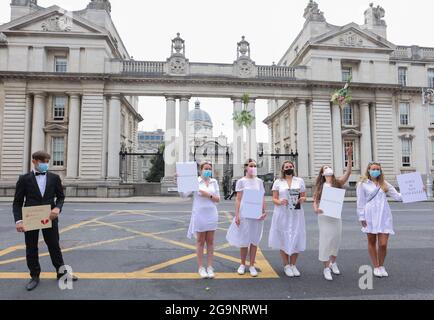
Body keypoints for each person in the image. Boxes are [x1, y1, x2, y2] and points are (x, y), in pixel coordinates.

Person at [12, 151, 78, 291]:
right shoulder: (24, 179)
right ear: (34, 161)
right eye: (43, 162)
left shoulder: (54, 178)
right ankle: (34, 276)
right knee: (31, 247)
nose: (46, 165)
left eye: (47, 162)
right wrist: (18, 221)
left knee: (54, 245)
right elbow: (17, 202)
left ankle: (62, 273)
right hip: (31, 218)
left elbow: (61, 197)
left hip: (50, 217)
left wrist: (57, 209)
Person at [356, 162, 403, 278]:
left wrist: (417, 192)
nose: (376, 171)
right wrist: (361, 217)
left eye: (378, 169)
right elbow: (360, 202)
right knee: (372, 242)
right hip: (370, 215)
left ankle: (382, 265)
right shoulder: (362, 184)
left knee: (383, 244)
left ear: (380, 171)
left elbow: (398, 196)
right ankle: (376, 266)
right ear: (368, 170)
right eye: (373, 169)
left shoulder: (384, 184)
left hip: (384, 215)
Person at [313, 147, 353, 281]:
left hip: (336, 216)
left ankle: (333, 262)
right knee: (325, 240)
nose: (328, 169)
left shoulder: (337, 183)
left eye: (329, 167)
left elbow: (348, 173)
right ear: (322, 173)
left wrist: (349, 157)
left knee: (336, 240)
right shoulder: (320, 186)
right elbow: (315, 201)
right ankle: (326, 267)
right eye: (325, 168)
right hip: (324, 216)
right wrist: (316, 208)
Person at [177, 161, 220, 279]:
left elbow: (218, 199)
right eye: (206, 168)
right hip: (199, 214)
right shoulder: (195, 181)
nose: (208, 171)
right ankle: (201, 267)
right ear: (200, 170)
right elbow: (183, 195)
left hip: (212, 214)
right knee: (200, 241)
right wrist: (179, 181)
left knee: (210, 242)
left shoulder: (214, 182)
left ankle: (210, 267)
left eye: (209, 169)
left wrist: (207, 195)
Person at [226, 159, 266, 277]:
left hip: (256, 212)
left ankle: (252, 265)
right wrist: (237, 215)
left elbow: (262, 197)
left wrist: (264, 211)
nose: (253, 167)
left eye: (254, 165)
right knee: (244, 239)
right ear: (246, 168)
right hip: (245, 212)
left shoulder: (259, 181)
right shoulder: (241, 181)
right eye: (251, 165)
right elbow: (238, 199)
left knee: (254, 239)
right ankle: (242, 264)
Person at [269, 161, 307, 278]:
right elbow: (274, 199)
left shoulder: (299, 181)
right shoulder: (278, 182)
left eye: (290, 166)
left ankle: (293, 264)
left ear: (293, 168)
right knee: (283, 238)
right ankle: (286, 265)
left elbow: (304, 196)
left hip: (296, 213)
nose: (289, 168)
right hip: (282, 213)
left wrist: (302, 199)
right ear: (283, 169)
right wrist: (280, 201)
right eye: (286, 167)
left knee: (296, 237)